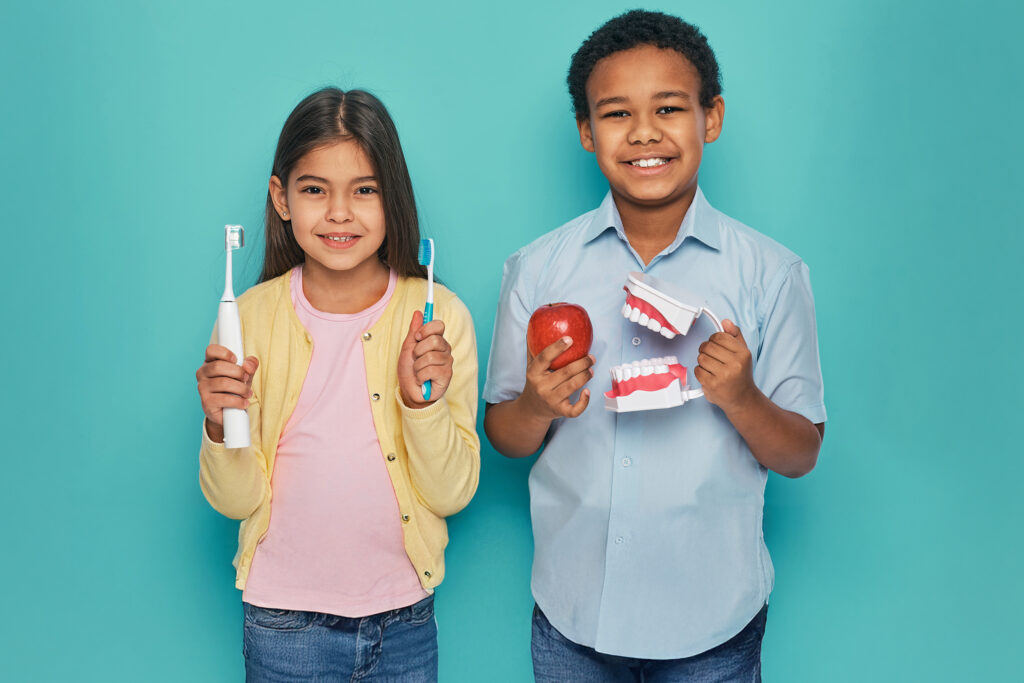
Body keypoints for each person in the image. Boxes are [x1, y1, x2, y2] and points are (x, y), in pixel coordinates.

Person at [483, 10, 826, 682]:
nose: (644, 131)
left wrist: (743, 397)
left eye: (669, 107)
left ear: (712, 117)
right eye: (615, 114)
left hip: (713, 623)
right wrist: (536, 402)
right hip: (572, 614)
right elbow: (504, 433)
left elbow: (801, 452)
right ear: (586, 131)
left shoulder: (769, 273)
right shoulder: (538, 269)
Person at [195, 87, 479, 682]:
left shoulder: (439, 317)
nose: (340, 213)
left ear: (391, 197)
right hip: (282, 621)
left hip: (404, 618)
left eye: (365, 190)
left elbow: (452, 493)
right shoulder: (247, 317)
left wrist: (417, 405)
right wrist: (221, 429)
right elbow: (235, 502)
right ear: (282, 199)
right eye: (315, 190)